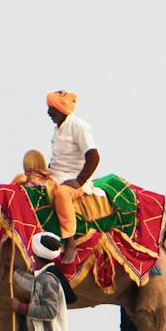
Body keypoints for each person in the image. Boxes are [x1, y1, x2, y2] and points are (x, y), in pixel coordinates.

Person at [43, 91, 99, 239]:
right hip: (55, 176)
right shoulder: (57, 129)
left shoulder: (78, 126)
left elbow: (93, 156)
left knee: (62, 194)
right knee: (23, 179)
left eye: (52, 108)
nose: (48, 112)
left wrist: (79, 181)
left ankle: (69, 239)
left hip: (73, 179)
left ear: (61, 109)